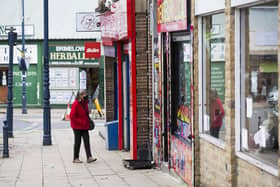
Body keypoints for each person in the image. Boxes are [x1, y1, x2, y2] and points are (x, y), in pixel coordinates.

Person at [70, 90, 97, 163]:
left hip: (84, 126)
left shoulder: (85, 103)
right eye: (83, 95)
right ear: (80, 96)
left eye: (86, 94)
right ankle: (75, 158)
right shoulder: (76, 104)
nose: (85, 96)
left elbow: (86, 113)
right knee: (77, 142)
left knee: (87, 141)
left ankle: (89, 157)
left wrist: (87, 122)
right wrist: (81, 122)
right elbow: (72, 116)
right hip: (77, 127)